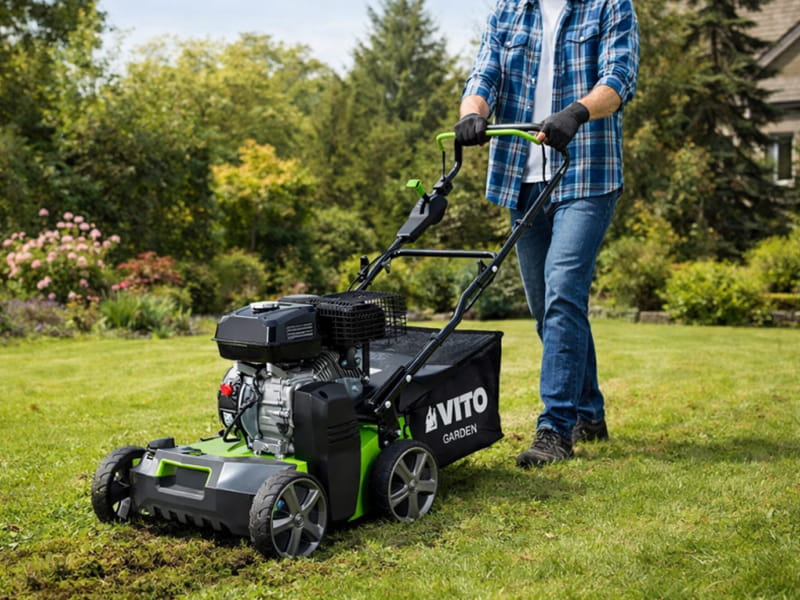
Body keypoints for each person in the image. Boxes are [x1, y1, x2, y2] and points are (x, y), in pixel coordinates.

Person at [455, 0, 639, 467]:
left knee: (562, 293)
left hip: (586, 175)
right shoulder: (510, 10)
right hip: (522, 177)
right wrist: (473, 111)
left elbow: (619, 77)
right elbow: (484, 72)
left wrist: (575, 113)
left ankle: (556, 428)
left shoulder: (608, 5)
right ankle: (590, 412)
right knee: (548, 308)